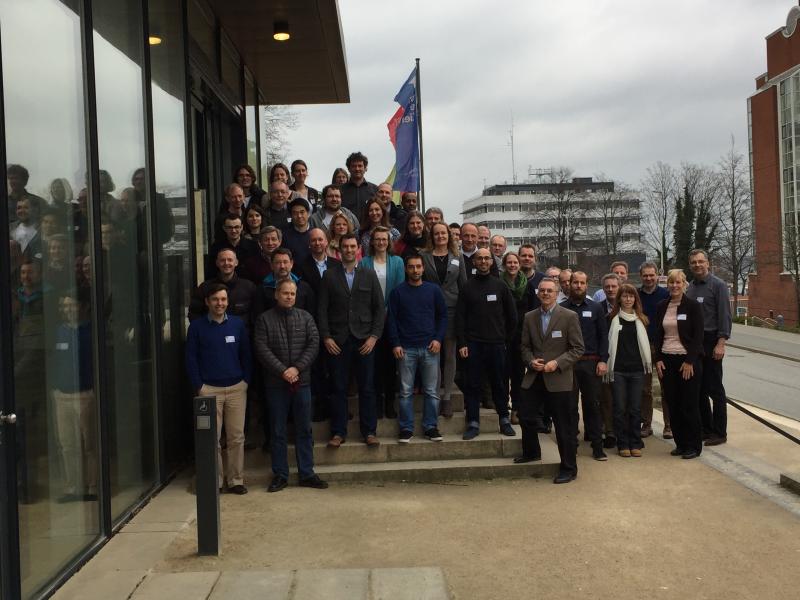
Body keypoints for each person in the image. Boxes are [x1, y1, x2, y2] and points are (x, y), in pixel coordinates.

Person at [254, 279, 327, 493]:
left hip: (301, 382)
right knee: (277, 431)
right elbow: (261, 348)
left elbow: (313, 345)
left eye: (292, 294)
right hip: (276, 384)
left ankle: (307, 473)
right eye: (285, 293)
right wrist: (282, 371)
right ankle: (280, 474)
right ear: (276, 294)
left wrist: (296, 368)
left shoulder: (306, 318)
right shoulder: (264, 319)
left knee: (304, 429)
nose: (289, 297)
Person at [318, 234, 385, 448]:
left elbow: (379, 309)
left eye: (352, 246)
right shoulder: (329, 276)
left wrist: (374, 337)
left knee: (367, 387)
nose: (348, 250)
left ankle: (369, 431)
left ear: (358, 250)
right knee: (338, 387)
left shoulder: (369, 274)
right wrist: (326, 336)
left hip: (365, 340)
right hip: (338, 340)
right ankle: (338, 432)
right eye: (345, 246)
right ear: (339, 250)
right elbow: (322, 310)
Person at [185, 283, 252, 494]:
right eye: (215, 299)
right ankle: (215, 481)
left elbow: (247, 355)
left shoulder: (237, 325)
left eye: (223, 299)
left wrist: (245, 381)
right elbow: (191, 359)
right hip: (209, 390)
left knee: (236, 437)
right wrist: (199, 386)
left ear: (227, 302)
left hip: (236, 389)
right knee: (210, 439)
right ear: (207, 302)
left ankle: (236, 480)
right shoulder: (196, 327)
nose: (220, 303)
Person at [519, 277, 584, 484]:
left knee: (563, 425)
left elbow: (577, 349)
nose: (545, 293)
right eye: (542, 291)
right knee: (526, 416)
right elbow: (524, 347)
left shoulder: (569, 316)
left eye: (550, 291)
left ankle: (568, 468)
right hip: (535, 376)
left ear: (557, 293)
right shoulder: (529, 317)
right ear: (538, 294)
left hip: (559, 378)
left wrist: (557, 363)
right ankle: (531, 453)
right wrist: (530, 362)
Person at [455, 248, 518, 440]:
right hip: (473, 344)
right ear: (474, 262)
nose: (483, 261)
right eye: (479, 258)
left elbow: (512, 317)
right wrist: (463, 343)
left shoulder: (500, 286)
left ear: (492, 262)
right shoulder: (467, 287)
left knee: (499, 384)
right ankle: (473, 422)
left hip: (497, 345)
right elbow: (460, 318)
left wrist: (505, 339)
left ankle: (504, 420)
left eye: (486, 258)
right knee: (473, 385)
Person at [388, 255, 448, 443]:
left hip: (430, 348)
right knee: (405, 392)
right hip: (406, 349)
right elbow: (391, 320)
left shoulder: (434, 291)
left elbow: (443, 317)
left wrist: (438, 339)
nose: (415, 270)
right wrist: (395, 343)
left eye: (418, 267)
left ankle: (431, 427)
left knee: (431, 391)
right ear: (406, 269)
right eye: (411, 267)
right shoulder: (397, 292)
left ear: (423, 269)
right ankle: (406, 428)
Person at [52, 291, 98, 502]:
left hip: (85, 395)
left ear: (82, 306)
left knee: (90, 444)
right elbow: (52, 361)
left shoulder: (91, 331)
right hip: (62, 396)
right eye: (64, 306)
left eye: (72, 305)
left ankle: (93, 486)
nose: (68, 310)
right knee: (67, 444)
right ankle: (72, 488)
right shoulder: (58, 332)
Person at [654, 269, 705, 459]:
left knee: (689, 404)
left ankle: (693, 445)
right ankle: (681, 443)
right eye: (671, 282)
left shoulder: (692, 306)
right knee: (673, 403)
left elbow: (699, 336)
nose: (674, 286)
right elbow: (658, 335)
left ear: (684, 284)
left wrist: (690, 361)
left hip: (687, 361)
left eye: (678, 282)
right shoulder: (662, 306)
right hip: (667, 360)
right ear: (667, 285)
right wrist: (657, 358)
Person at [560, 270, 608, 460]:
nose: (578, 286)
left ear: (587, 285)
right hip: (569, 366)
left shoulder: (596, 308)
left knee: (593, 407)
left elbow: (603, 336)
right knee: (570, 407)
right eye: (575, 282)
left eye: (582, 283)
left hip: (591, 364)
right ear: (569, 284)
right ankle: (572, 446)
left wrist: (603, 360)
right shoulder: (562, 308)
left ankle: (597, 447)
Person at [686, 249, 732, 446]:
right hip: (696, 343)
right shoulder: (690, 288)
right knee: (700, 389)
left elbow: (725, 316)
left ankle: (720, 432)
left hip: (712, 340)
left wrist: (721, 343)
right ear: (690, 265)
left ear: (708, 263)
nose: (697, 265)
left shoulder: (718, 286)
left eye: (701, 261)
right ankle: (707, 428)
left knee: (715, 389)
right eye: (694, 262)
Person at [421, 222, 467, 417]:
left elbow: (463, 285)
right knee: (433, 356)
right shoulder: (424, 256)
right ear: (432, 236)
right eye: (436, 233)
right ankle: (435, 395)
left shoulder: (458, 257)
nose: (440, 236)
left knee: (449, 355)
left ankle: (447, 396)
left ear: (449, 236)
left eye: (444, 233)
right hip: (430, 311)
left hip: (452, 310)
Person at [359, 227, 405, 418]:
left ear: (389, 241)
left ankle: (389, 404)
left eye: (384, 239)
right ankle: (377, 404)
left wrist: (387, 310)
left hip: (392, 317)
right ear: (372, 242)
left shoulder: (397, 261)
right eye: (377, 239)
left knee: (391, 364)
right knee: (374, 365)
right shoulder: (364, 262)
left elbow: (400, 289)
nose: (380, 242)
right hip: (370, 320)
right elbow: (362, 291)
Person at [605, 284, 651, 458]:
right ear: (619, 299)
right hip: (618, 370)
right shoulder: (611, 319)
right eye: (624, 296)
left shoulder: (642, 320)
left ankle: (635, 442)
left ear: (635, 299)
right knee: (619, 408)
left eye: (631, 296)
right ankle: (622, 443)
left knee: (635, 408)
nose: (628, 299)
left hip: (637, 370)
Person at [189, 249, 261, 331]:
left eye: (230, 260)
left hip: (240, 338)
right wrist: (205, 331)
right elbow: (194, 313)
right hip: (212, 335)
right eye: (222, 260)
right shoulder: (205, 287)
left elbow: (256, 316)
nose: (226, 263)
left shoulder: (249, 287)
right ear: (217, 263)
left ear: (236, 262)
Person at [638, 261, 670, 439]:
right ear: (641, 276)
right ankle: (646, 423)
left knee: (666, 388)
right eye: (645, 275)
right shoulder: (636, 294)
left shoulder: (666, 294)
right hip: (642, 345)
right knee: (645, 388)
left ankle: (668, 425)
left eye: (652, 275)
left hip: (663, 346)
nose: (649, 278)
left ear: (657, 275)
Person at [500, 252, 529, 426]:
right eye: (509, 262)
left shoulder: (527, 285)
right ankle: (504, 408)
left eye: (515, 262)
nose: (512, 265)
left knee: (519, 376)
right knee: (503, 375)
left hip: (522, 337)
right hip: (503, 336)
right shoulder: (499, 283)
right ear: (504, 264)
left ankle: (517, 409)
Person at [261, 248, 315, 315]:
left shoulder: (304, 288)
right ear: (271, 265)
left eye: (285, 262)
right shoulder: (262, 290)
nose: (282, 266)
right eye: (278, 262)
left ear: (291, 264)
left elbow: (311, 315)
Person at [207, 214, 258, 278]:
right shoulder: (216, 247)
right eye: (230, 227)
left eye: (236, 227)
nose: (233, 231)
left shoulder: (253, 246)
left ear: (241, 227)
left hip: (247, 285)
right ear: (224, 228)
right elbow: (211, 271)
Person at [340, 151, 378, 216]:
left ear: (365, 168)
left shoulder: (375, 189)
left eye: (360, 166)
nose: (357, 169)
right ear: (348, 169)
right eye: (354, 166)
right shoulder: (340, 190)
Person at [281, 198, 313, 265]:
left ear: (308, 213)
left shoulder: (315, 233)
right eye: (295, 213)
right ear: (291, 215)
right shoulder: (284, 235)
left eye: (302, 212)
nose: (299, 216)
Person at [518, 244, 545, 309]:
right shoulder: (512, 279)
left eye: (530, 256)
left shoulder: (543, 279)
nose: (527, 258)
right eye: (524, 255)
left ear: (535, 259)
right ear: (518, 257)